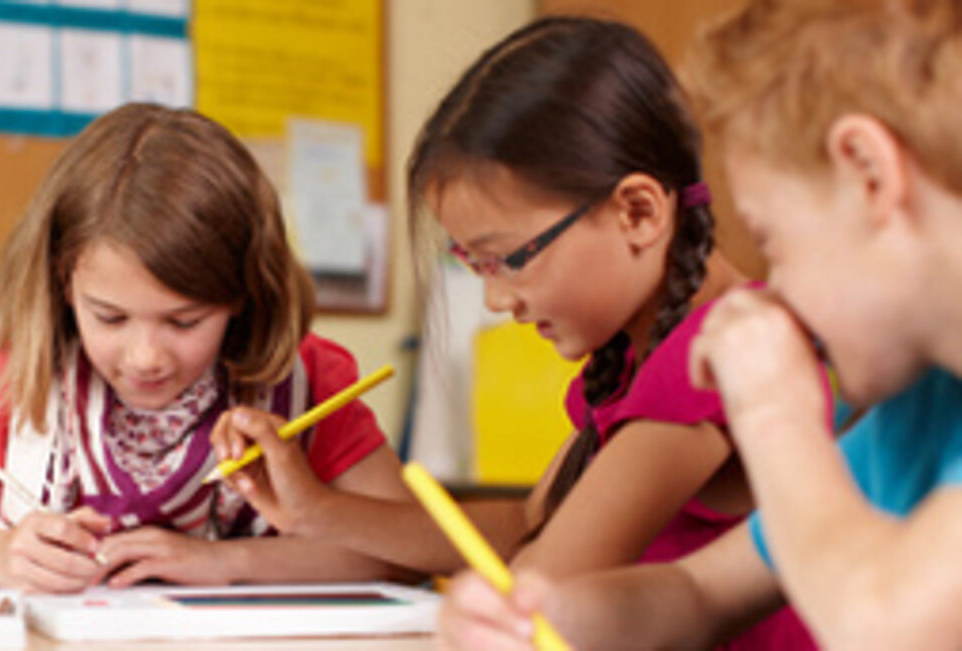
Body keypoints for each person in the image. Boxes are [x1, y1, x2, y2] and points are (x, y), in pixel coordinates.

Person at [212, 15, 813, 648]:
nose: (497, 299)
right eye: (475, 266)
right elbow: (529, 523)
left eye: (510, 259)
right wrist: (318, 511)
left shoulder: (716, 356)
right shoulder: (646, 356)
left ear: (638, 211)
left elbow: (543, 576)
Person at [438, 1, 962, 648]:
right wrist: (540, 613)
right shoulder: (921, 407)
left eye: (773, 240)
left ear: (869, 171)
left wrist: (776, 413)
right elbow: (697, 592)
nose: (778, 287)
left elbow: (887, 625)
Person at [0, 103, 415, 594]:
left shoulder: (308, 377)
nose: (146, 356)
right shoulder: (12, 377)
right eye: (110, 317)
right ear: (63, 283)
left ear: (243, 293)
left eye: (184, 321)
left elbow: (403, 551)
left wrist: (229, 563)